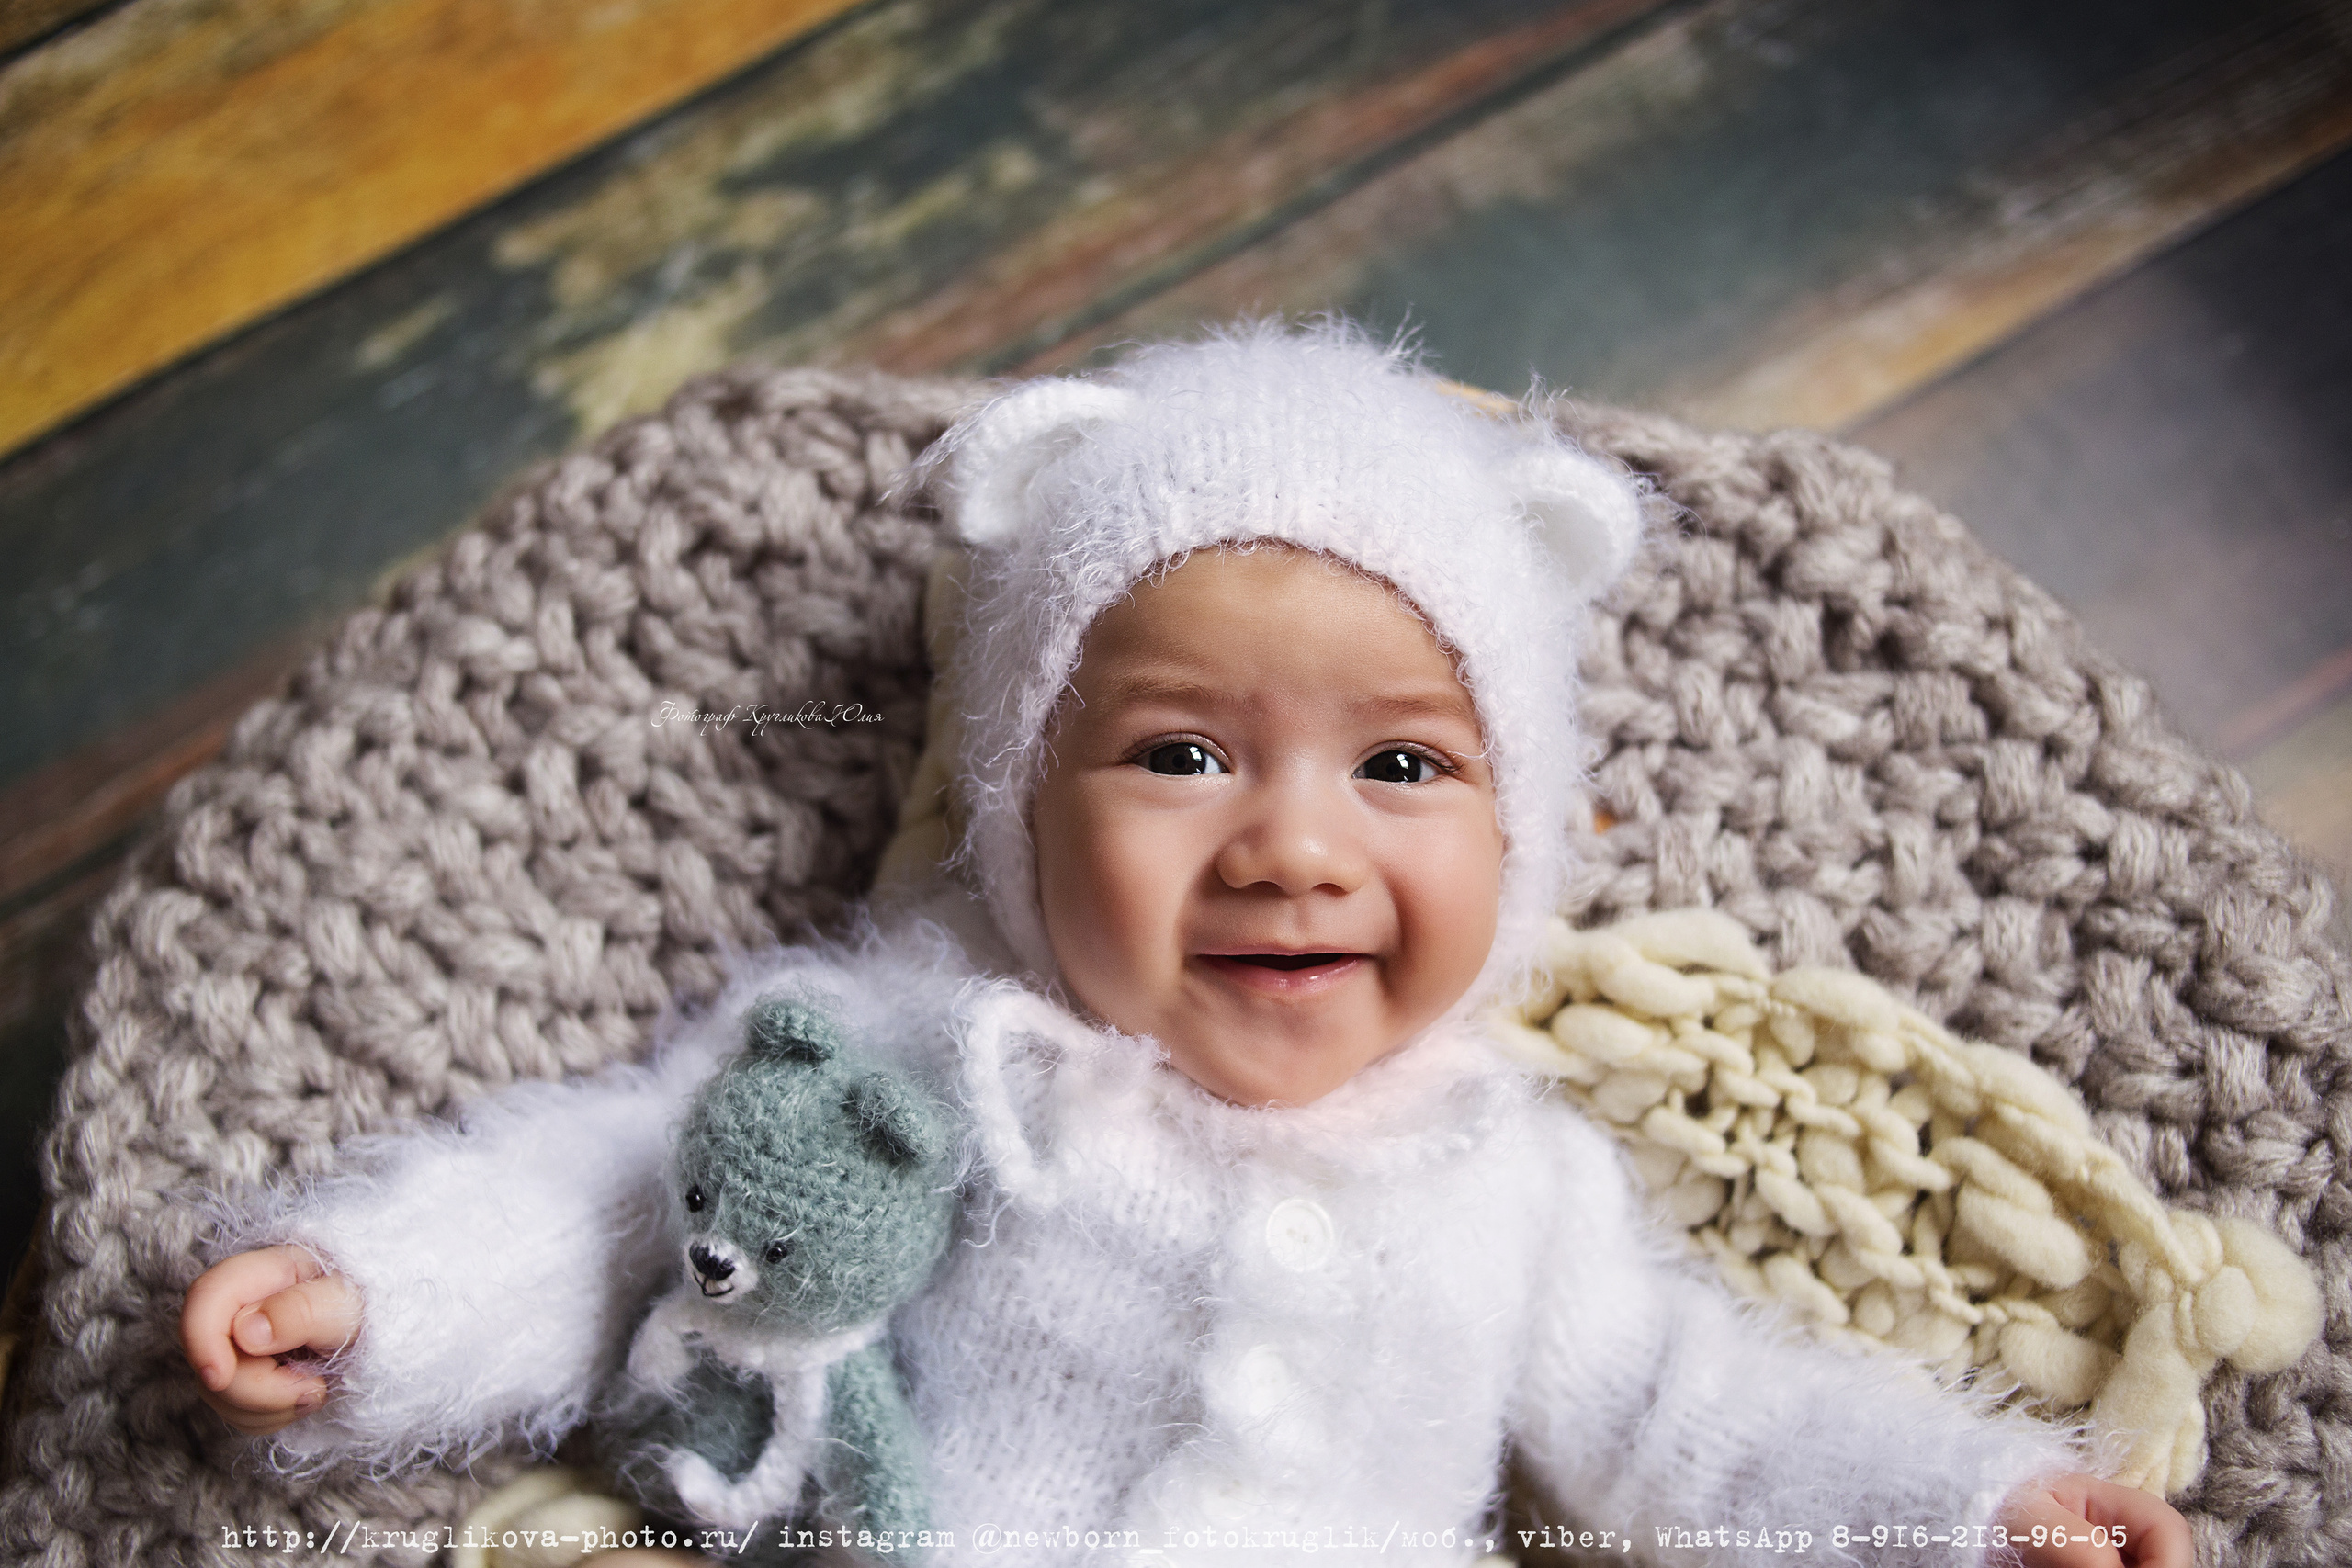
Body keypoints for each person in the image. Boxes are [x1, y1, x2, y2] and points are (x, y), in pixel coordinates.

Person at [181, 324, 2191, 1567]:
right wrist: (379, 1305)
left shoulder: (1510, 1181)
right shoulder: (927, 1062)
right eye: (1176, 755)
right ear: (1018, 810)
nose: (1292, 846)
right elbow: (628, 1204)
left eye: (1400, 762)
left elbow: (1701, 1428)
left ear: (1517, 834)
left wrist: (1967, 1517)